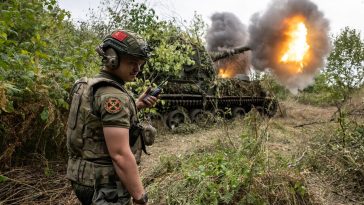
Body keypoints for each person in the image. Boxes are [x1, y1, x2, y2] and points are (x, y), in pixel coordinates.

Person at [66, 29, 157, 205]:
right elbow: (120, 154)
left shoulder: (86, 84)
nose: (137, 69)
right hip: (104, 185)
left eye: (140, 63)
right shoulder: (113, 96)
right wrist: (140, 197)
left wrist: (135, 104)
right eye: (132, 62)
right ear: (112, 57)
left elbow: (94, 121)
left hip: (81, 177)